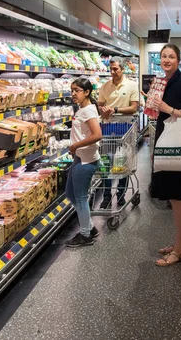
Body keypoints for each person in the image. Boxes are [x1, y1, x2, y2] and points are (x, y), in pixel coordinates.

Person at [151, 44, 181, 267]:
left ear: (179, 60)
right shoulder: (162, 82)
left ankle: (180, 249)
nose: (167, 60)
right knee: (173, 198)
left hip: (178, 148)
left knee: (178, 199)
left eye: (171, 56)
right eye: (164, 56)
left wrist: (166, 108)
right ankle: (179, 242)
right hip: (166, 143)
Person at [98, 57, 140, 209]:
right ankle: (106, 195)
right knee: (106, 162)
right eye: (111, 69)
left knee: (123, 162)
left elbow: (134, 107)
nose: (113, 72)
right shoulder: (105, 86)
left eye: (116, 69)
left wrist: (115, 109)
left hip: (125, 126)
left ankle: (121, 194)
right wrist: (103, 109)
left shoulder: (131, 85)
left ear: (122, 69)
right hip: (107, 126)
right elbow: (100, 104)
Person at [65, 78, 103, 247]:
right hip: (80, 157)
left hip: (86, 160)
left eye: (77, 90)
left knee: (80, 198)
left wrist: (75, 145)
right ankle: (90, 226)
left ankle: (85, 234)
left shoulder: (87, 111)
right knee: (70, 194)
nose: (73, 93)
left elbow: (97, 135)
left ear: (87, 92)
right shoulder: (83, 109)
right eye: (72, 90)